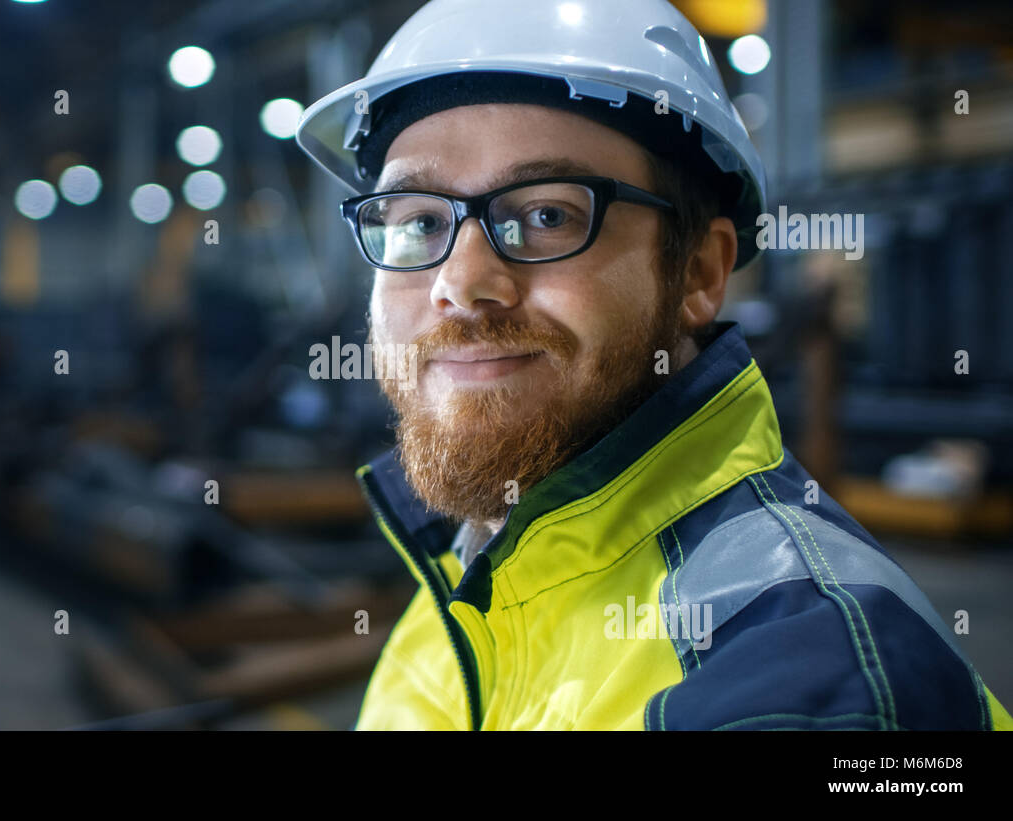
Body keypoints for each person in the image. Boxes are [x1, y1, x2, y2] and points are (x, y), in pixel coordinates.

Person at [295, 0, 1012, 730]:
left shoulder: (811, 683)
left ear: (700, 272)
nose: (461, 282)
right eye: (419, 221)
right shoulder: (472, 574)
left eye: (547, 215)